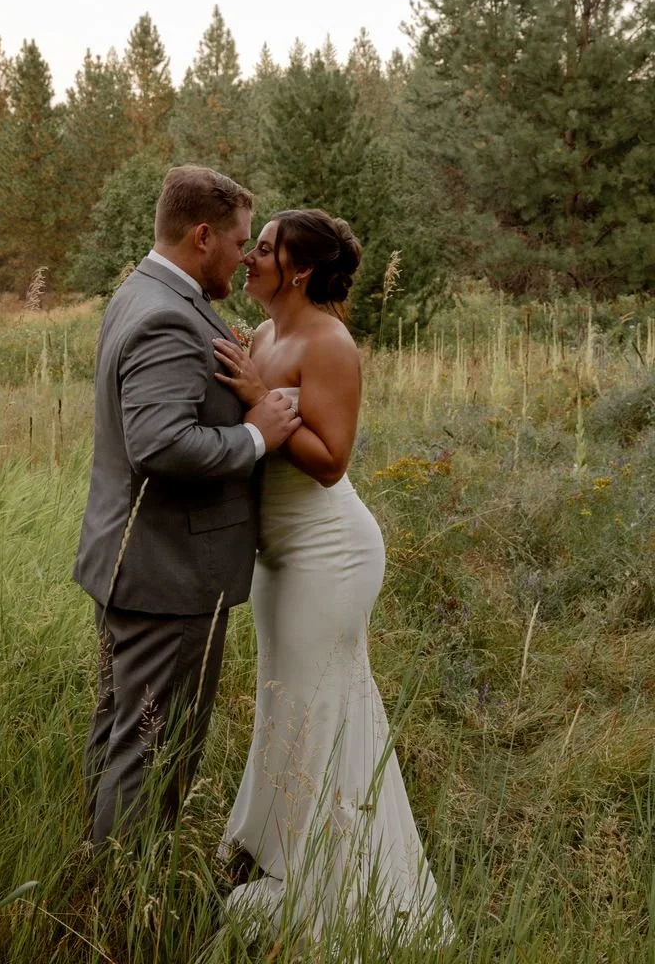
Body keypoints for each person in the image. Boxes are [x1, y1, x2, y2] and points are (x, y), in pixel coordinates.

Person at [212, 209, 452, 948]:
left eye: (264, 248)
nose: (250, 257)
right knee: (287, 703)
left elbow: (330, 460)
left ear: (301, 269)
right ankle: (284, 852)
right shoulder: (261, 335)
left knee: (321, 704)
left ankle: (336, 885)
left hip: (330, 552)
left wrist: (257, 399)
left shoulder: (328, 342)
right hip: (278, 557)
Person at [73, 166, 301, 850]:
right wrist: (259, 433)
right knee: (152, 748)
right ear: (202, 236)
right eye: (237, 241)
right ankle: (125, 897)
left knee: (122, 731)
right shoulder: (168, 315)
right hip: (166, 572)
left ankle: (101, 865)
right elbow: (160, 442)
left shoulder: (146, 292)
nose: (245, 255)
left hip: (136, 561)